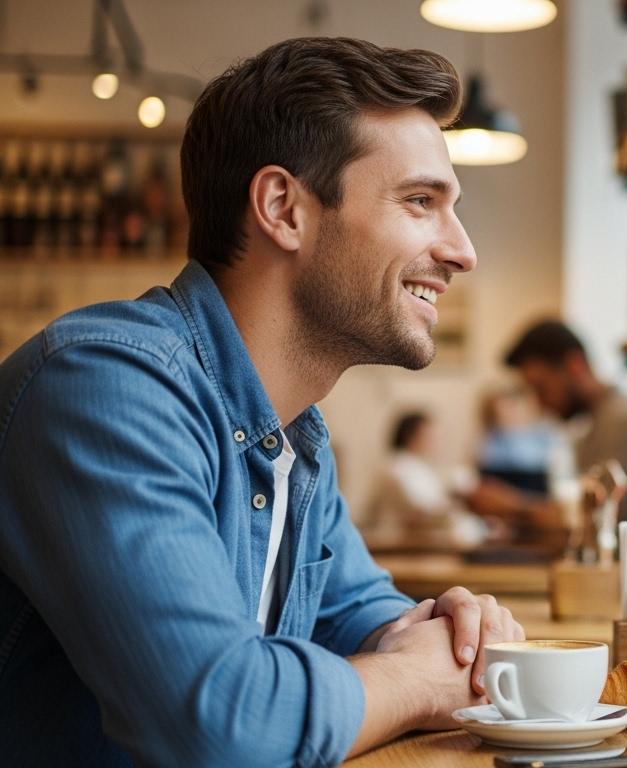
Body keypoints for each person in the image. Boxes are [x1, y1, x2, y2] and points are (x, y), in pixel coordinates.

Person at [0, 38, 526, 765]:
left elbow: (357, 613)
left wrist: (444, 630)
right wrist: (414, 677)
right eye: (420, 202)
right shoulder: (104, 390)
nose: (462, 250)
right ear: (284, 208)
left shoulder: (292, 436)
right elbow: (223, 723)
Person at [504, 319, 627, 523]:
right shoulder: (600, 423)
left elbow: (602, 523)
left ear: (575, 365)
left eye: (541, 388)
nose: (540, 404)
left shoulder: (626, 424)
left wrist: (513, 508)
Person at [365, 411, 498, 548]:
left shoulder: (418, 467)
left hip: (420, 535)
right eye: (431, 435)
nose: (437, 440)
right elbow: (422, 511)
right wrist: (460, 500)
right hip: (400, 541)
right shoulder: (397, 468)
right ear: (412, 436)